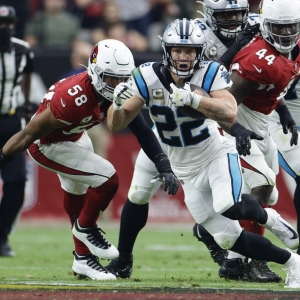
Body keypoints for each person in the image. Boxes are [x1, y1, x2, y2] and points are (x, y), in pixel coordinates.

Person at [105, 18, 300, 288]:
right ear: (167, 51)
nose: (183, 57)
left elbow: (230, 110)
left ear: (199, 52)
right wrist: (116, 104)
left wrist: (195, 100)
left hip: (215, 154)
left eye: (190, 51)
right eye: (177, 51)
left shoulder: (209, 73)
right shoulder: (146, 76)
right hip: (184, 167)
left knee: (227, 205)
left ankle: (272, 221)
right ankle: (293, 261)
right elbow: (116, 125)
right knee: (228, 239)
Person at [0, 39, 179, 280]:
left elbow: (142, 129)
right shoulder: (72, 97)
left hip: (76, 136)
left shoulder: (121, 91)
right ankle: (86, 228)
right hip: (46, 144)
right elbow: (28, 134)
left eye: (122, 78)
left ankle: (83, 259)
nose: (117, 85)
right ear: (94, 71)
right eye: (111, 78)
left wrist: (163, 164)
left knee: (78, 195)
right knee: (108, 178)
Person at [192, 0, 299, 283]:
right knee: (261, 188)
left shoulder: (285, 51)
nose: (287, 32)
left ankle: (229, 253)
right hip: (236, 119)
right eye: (280, 26)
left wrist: (284, 111)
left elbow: (270, 88)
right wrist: (235, 129)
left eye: (292, 26)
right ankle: (252, 262)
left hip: (262, 120)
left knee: (268, 194)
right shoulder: (257, 58)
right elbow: (223, 102)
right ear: (265, 26)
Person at [0, 6, 34, 257]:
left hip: (10, 123)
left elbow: (27, 79)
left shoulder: (22, 50)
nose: (4, 28)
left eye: (8, 23)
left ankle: (1, 237)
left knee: (17, 181)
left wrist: (25, 104)